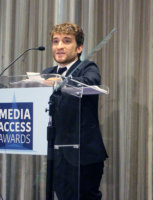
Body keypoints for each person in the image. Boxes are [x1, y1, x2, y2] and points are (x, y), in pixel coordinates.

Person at [42, 22, 108, 200]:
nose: (59, 46)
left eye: (66, 41)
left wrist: (60, 82)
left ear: (79, 48)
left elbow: (91, 82)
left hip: (84, 155)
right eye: (55, 42)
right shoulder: (47, 73)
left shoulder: (88, 68)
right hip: (56, 154)